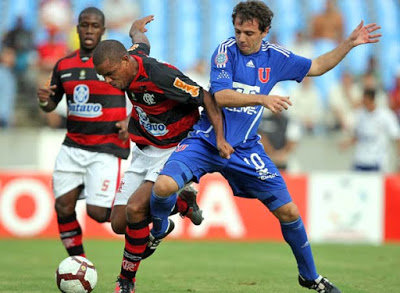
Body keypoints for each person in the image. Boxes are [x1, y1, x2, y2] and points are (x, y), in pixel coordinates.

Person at [148, 1, 381, 292]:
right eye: (237, 31)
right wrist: (262, 99)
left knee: (290, 213)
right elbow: (219, 96)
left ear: (265, 31)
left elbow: (318, 66)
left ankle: (310, 277)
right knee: (164, 187)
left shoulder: (277, 57)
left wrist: (348, 43)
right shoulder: (225, 52)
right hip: (208, 140)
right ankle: (158, 230)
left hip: (245, 150)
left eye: (248, 33)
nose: (241, 38)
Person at [92, 17, 232, 293]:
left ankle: (125, 282)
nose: (108, 81)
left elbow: (206, 97)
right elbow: (140, 41)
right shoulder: (131, 57)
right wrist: (135, 28)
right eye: (103, 77)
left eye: (110, 74)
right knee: (119, 223)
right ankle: (180, 206)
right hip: (146, 148)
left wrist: (220, 137)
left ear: (123, 61)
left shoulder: (162, 77)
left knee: (135, 209)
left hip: (176, 147)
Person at [36, 7, 131, 258]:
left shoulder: (116, 64)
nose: (89, 30)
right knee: (63, 206)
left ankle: (147, 216)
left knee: (98, 214)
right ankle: (78, 263)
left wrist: (130, 121)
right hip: (72, 147)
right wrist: (44, 100)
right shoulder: (64, 65)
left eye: (94, 26)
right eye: (84, 25)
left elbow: (142, 95)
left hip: (106, 148)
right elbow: (51, 104)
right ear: (77, 28)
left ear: (103, 30)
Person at [339, 88, 400, 172]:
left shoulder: (385, 115)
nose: (364, 103)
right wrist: (347, 143)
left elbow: (396, 137)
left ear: (372, 100)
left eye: (366, 100)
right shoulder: (360, 115)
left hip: (377, 162)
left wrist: (398, 160)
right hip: (360, 160)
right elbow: (359, 136)